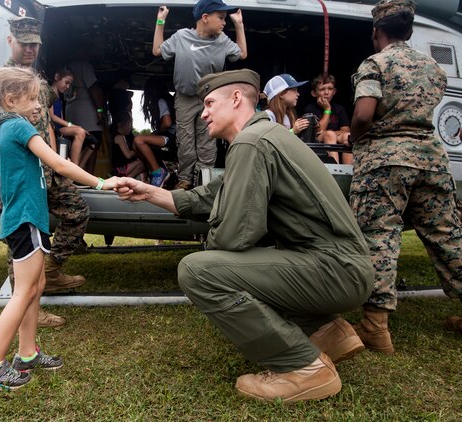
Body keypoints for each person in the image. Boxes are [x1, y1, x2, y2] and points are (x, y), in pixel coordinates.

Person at [115, 69, 374, 402]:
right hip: (340, 267)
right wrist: (148, 192)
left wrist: (217, 249)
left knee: (200, 271)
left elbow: (234, 237)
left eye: (209, 103)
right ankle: (326, 333)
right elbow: (208, 196)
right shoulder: (263, 136)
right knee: (245, 263)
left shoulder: (251, 142)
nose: (203, 112)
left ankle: (302, 368)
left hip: (335, 270)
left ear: (236, 99)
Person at [0, 66, 117, 391]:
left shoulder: (7, 127)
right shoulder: (18, 126)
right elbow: (59, 163)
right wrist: (102, 182)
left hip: (27, 220)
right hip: (25, 221)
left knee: (35, 288)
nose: (40, 105)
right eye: (33, 99)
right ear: (11, 99)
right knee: (23, 293)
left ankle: (26, 354)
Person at [350, 0, 462, 354]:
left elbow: (365, 115)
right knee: (448, 237)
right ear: (409, 31)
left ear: (376, 32)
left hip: (385, 161)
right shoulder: (433, 67)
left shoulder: (375, 63)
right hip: (431, 161)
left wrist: (356, 138)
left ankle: (375, 328)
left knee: (379, 239)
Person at [0, 17, 91, 329]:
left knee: (77, 212)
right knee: (21, 241)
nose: (30, 48)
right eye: (24, 43)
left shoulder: (35, 79)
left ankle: (52, 272)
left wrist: (61, 117)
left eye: (35, 44)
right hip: (18, 171)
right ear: (10, 42)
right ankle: (28, 304)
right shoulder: (2, 80)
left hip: (47, 167)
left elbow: (43, 110)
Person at [152, 0, 247, 190]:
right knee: (185, 142)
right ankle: (185, 179)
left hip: (210, 100)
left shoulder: (222, 40)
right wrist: (160, 20)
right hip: (185, 98)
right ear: (205, 18)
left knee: (207, 142)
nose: (223, 22)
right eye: (220, 18)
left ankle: (204, 182)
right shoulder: (182, 37)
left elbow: (242, 54)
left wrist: (239, 24)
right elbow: (157, 50)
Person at [64, 51, 105, 174]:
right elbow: (93, 88)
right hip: (86, 111)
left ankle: (77, 172)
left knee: (74, 142)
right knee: (94, 141)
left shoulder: (68, 67)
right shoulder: (84, 66)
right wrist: (99, 109)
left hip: (70, 111)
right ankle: (86, 174)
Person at [49, 66, 96, 167]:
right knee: (79, 131)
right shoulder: (50, 93)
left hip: (60, 129)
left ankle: (78, 166)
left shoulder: (59, 98)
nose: (67, 87)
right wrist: (71, 125)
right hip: (53, 129)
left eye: (70, 84)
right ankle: (75, 167)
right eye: (66, 82)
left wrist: (74, 127)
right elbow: (52, 116)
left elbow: (60, 118)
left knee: (91, 140)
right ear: (57, 77)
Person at [133, 76, 177, 187]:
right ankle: (156, 170)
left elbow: (167, 123)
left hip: (171, 136)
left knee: (138, 140)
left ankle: (158, 172)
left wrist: (156, 132)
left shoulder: (161, 101)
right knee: (136, 144)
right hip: (173, 136)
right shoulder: (169, 100)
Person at [303, 74, 352, 164]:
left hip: (334, 137)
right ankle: (336, 170)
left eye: (330, 89)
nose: (326, 92)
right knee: (329, 134)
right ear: (314, 93)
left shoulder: (339, 108)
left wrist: (334, 134)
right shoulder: (310, 108)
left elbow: (345, 129)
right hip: (318, 140)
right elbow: (318, 131)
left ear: (334, 91)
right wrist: (327, 110)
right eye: (322, 89)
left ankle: (349, 171)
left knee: (347, 136)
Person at [110, 111, 147, 180]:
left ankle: (125, 179)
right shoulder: (119, 137)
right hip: (119, 169)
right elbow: (128, 155)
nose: (131, 126)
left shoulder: (121, 136)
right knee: (143, 162)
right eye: (129, 123)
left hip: (120, 168)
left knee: (143, 164)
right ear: (121, 124)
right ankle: (124, 180)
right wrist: (140, 150)